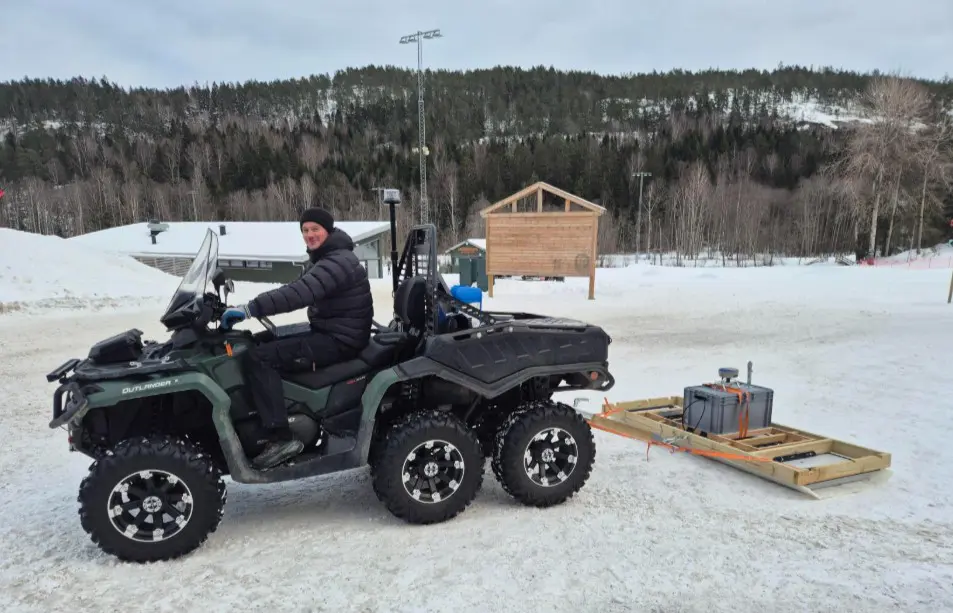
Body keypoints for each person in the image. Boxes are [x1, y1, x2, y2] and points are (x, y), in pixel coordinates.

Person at [220, 207, 374, 469]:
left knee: (259, 359)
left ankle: (281, 437)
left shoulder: (338, 261)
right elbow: (293, 287)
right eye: (305, 230)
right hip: (330, 330)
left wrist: (251, 308)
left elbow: (301, 293)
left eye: (315, 229)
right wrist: (246, 305)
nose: (310, 235)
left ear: (328, 230)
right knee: (256, 342)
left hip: (339, 340)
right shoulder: (326, 257)